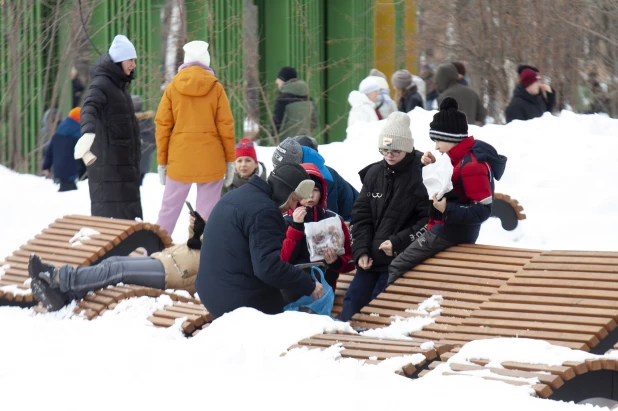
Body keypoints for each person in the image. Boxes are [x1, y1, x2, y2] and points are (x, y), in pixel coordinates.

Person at [388, 98, 506, 284]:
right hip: (443, 226)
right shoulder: (456, 159)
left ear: (451, 138)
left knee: (397, 264)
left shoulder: (472, 166)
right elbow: (444, 187)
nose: (435, 146)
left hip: (452, 231)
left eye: (438, 140)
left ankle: (390, 310)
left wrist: (447, 209)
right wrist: (428, 166)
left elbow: (483, 211)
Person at [196, 163, 325, 319]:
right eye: (293, 199)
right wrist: (309, 284)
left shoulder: (239, 194)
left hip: (211, 290)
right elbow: (268, 268)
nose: (292, 206)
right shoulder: (265, 211)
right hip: (238, 303)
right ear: (284, 191)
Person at [339, 112, 429, 322]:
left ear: (407, 148)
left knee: (376, 311)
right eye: (384, 150)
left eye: (395, 151)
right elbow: (361, 216)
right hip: (370, 258)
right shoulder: (374, 173)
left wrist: (398, 243)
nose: (389, 155)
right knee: (351, 304)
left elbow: (427, 220)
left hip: (399, 259)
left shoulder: (422, 174)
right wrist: (360, 251)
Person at [28, 213, 206, 312]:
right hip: (166, 260)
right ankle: (65, 297)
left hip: (176, 275)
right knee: (112, 261)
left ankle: (58, 276)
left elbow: (211, 260)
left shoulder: (231, 247)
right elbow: (196, 245)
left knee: (118, 269)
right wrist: (197, 228)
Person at [155, 40, 235, 235]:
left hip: (180, 158)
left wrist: (162, 162)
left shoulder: (173, 88)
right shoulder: (216, 88)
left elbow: (162, 126)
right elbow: (226, 126)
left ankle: (154, 248)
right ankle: (205, 255)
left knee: (169, 210)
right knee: (207, 214)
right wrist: (230, 160)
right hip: (211, 159)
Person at [75, 34, 142, 220]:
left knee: (128, 227)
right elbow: (88, 107)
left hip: (123, 168)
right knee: (110, 225)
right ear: (119, 60)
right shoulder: (102, 84)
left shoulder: (120, 86)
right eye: (130, 60)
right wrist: (87, 132)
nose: (133, 64)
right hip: (109, 169)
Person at [281, 163, 355, 292]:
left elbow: (350, 259)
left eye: (315, 190)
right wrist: (296, 227)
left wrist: (336, 262)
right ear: (295, 193)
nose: (310, 195)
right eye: (305, 191)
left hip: (326, 289)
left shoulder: (334, 219)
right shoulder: (285, 220)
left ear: (322, 193)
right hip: (295, 291)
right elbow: (281, 261)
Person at [272, 136, 359, 221]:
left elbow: (328, 218)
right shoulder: (299, 169)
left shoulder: (322, 179)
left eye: (282, 170)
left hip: (353, 217)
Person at [42, 108, 85, 192]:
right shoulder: (77, 131)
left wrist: (46, 166)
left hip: (59, 171)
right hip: (71, 171)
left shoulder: (59, 131)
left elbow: (49, 151)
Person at [272, 66, 318, 139]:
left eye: (279, 78)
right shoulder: (308, 99)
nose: (276, 81)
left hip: (287, 144)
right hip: (305, 141)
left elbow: (275, 127)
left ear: (284, 80)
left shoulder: (282, 100)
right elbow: (315, 122)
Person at [132, 95, 155, 185]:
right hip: (144, 161)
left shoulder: (126, 121)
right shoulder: (148, 121)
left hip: (129, 162)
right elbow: (154, 141)